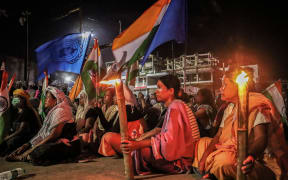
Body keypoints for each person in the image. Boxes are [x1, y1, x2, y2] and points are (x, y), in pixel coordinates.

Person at [192, 67, 288, 180]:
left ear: (239, 86)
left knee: (225, 161)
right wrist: (204, 157)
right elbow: (218, 135)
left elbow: (261, 137)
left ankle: (213, 172)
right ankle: (212, 171)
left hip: (257, 160)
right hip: (231, 149)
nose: (221, 89)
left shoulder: (256, 104)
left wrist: (250, 155)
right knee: (203, 143)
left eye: (225, 85)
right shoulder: (230, 107)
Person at [121, 74, 200, 175]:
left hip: (182, 161)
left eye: (159, 87)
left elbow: (169, 141)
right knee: (139, 148)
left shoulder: (176, 106)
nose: (155, 91)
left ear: (171, 91)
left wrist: (138, 144)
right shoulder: (174, 106)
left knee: (142, 150)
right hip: (181, 156)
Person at [6, 86, 80, 165]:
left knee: (38, 151)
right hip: (57, 141)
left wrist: (32, 148)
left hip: (68, 144)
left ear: (56, 100)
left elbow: (54, 135)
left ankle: (22, 157)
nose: (45, 100)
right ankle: (25, 154)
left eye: (48, 98)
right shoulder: (53, 112)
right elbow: (43, 133)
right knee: (31, 146)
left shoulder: (61, 111)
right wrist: (28, 145)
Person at [0, 89, 41, 156]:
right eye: (14, 96)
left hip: (28, 135)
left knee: (10, 142)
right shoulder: (16, 111)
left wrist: (8, 137)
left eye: (17, 97)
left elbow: (21, 130)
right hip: (18, 133)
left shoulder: (26, 111)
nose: (14, 99)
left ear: (23, 99)